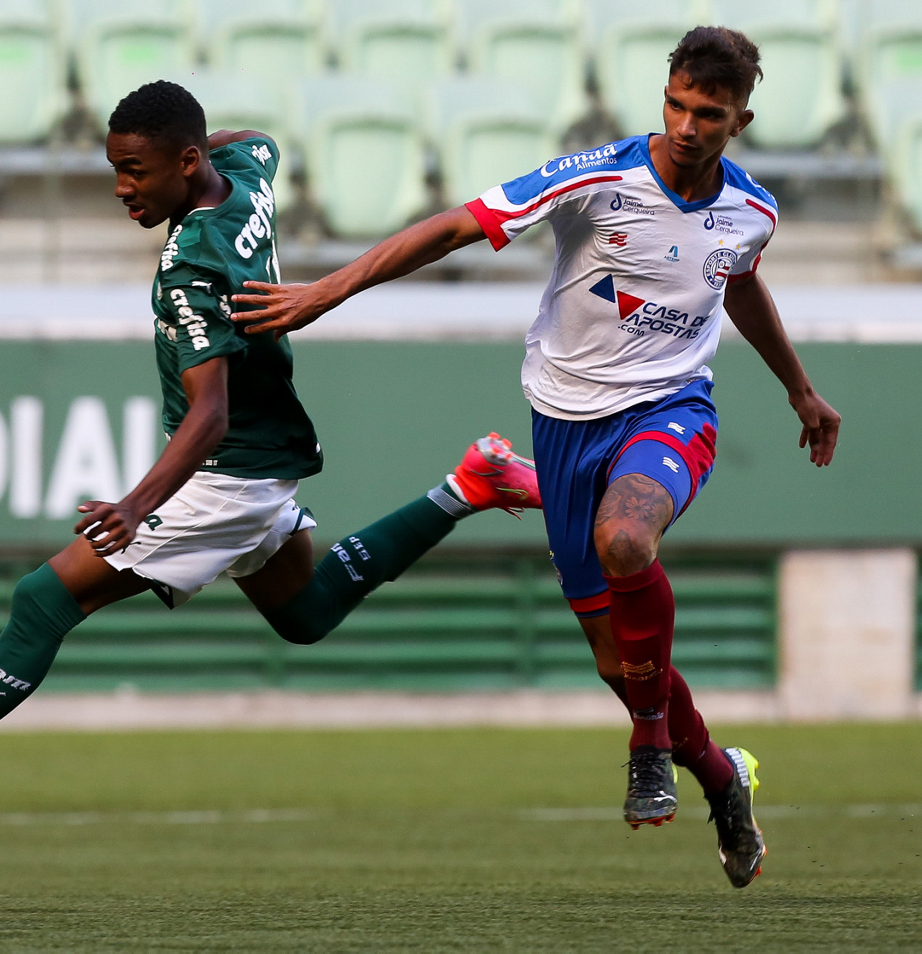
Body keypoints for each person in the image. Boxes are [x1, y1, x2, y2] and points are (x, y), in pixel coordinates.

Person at [0, 81, 538, 827]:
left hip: (228, 473)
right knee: (305, 613)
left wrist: (135, 505)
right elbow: (257, 140)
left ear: (186, 163)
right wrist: (184, 148)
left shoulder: (190, 267)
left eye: (135, 171)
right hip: (267, 452)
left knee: (44, 600)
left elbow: (208, 415)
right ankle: (471, 484)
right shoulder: (246, 177)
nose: (122, 188)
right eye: (116, 169)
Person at [229, 28, 841, 888]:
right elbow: (456, 225)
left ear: (740, 120)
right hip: (564, 421)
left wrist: (800, 390)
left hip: (670, 408)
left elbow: (736, 279)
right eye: (676, 104)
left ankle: (648, 747)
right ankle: (722, 778)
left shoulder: (753, 210)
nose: (687, 126)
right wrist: (327, 290)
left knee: (625, 540)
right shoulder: (597, 177)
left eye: (708, 113)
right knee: (619, 665)